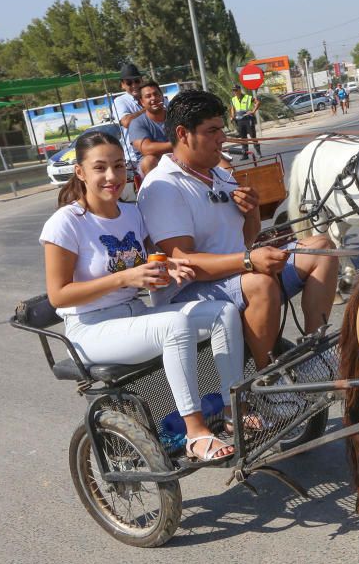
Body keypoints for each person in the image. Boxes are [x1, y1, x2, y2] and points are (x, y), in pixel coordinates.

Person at [40, 131, 245, 463]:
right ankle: (195, 433)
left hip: (133, 315)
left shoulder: (131, 214)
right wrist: (125, 277)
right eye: (100, 168)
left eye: (119, 167)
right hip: (91, 329)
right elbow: (58, 295)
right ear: (80, 172)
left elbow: (152, 260)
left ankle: (232, 409)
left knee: (223, 312)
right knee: (175, 325)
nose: (112, 177)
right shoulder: (66, 223)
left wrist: (170, 266)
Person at [137, 90, 338, 370]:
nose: (223, 138)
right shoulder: (164, 187)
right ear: (183, 134)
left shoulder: (220, 176)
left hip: (237, 277)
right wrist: (247, 261)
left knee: (321, 248)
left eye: (222, 129)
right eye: (212, 131)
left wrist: (252, 211)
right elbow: (184, 262)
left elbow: (247, 240)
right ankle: (265, 380)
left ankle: (313, 353)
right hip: (187, 294)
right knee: (261, 283)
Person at [128, 81, 170, 177]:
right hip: (153, 164)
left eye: (156, 94)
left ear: (162, 97)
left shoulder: (176, 117)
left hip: (179, 158)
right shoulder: (137, 123)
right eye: (148, 96)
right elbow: (146, 149)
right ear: (142, 102)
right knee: (149, 160)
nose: (153, 98)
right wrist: (177, 144)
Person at [111, 63, 145, 179]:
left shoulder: (153, 96)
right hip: (135, 158)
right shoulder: (120, 101)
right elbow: (126, 122)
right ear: (122, 85)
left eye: (136, 81)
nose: (134, 85)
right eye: (129, 83)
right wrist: (149, 109)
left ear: (142, 81)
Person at [230, 85, 262, 161]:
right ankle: (245, 155)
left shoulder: (248, 97)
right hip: (240, 120)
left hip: (248, 119)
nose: (235, 92)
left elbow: (258, 102)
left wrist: (253, 111)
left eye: (236, 90)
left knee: (253, 137)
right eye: (233, 90)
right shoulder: (233, 99)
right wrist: (232, 116)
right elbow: (232, 108)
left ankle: (258, 153)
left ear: (240, 90)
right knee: (243, 138)